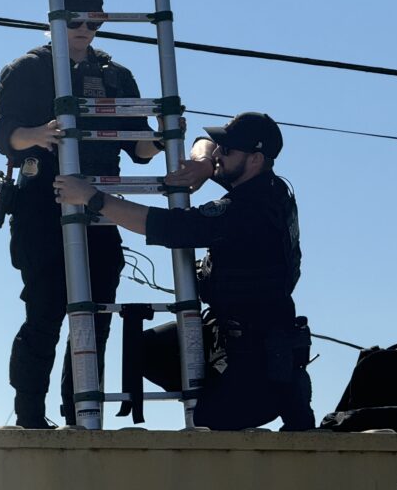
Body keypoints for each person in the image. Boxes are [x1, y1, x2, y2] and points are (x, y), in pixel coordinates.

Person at [53, 111, 315, 430]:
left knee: (209, 419)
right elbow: (202, 143)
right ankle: (220, 388)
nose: (219, 153)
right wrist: (204, 163)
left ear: (255, 159)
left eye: (227, 150)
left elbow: (169, 227)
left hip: (256, 360)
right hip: (239, 337)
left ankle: (240, 396)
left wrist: (92, 198)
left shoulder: (247, 211)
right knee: (145, 350)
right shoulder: (269, 188)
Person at [0, 0, 164, 428]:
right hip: (42, 209)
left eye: (94, 19)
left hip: (99, 209)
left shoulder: (115, 76)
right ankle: (30, 415)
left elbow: (140, 148)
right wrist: (38, 135)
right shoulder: (28, 69)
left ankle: (81, 413)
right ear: (55, 18)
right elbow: (2, 132)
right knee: (45, 311)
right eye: (76, 18)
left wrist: (164, 137)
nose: (85, 28)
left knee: (96, 314)